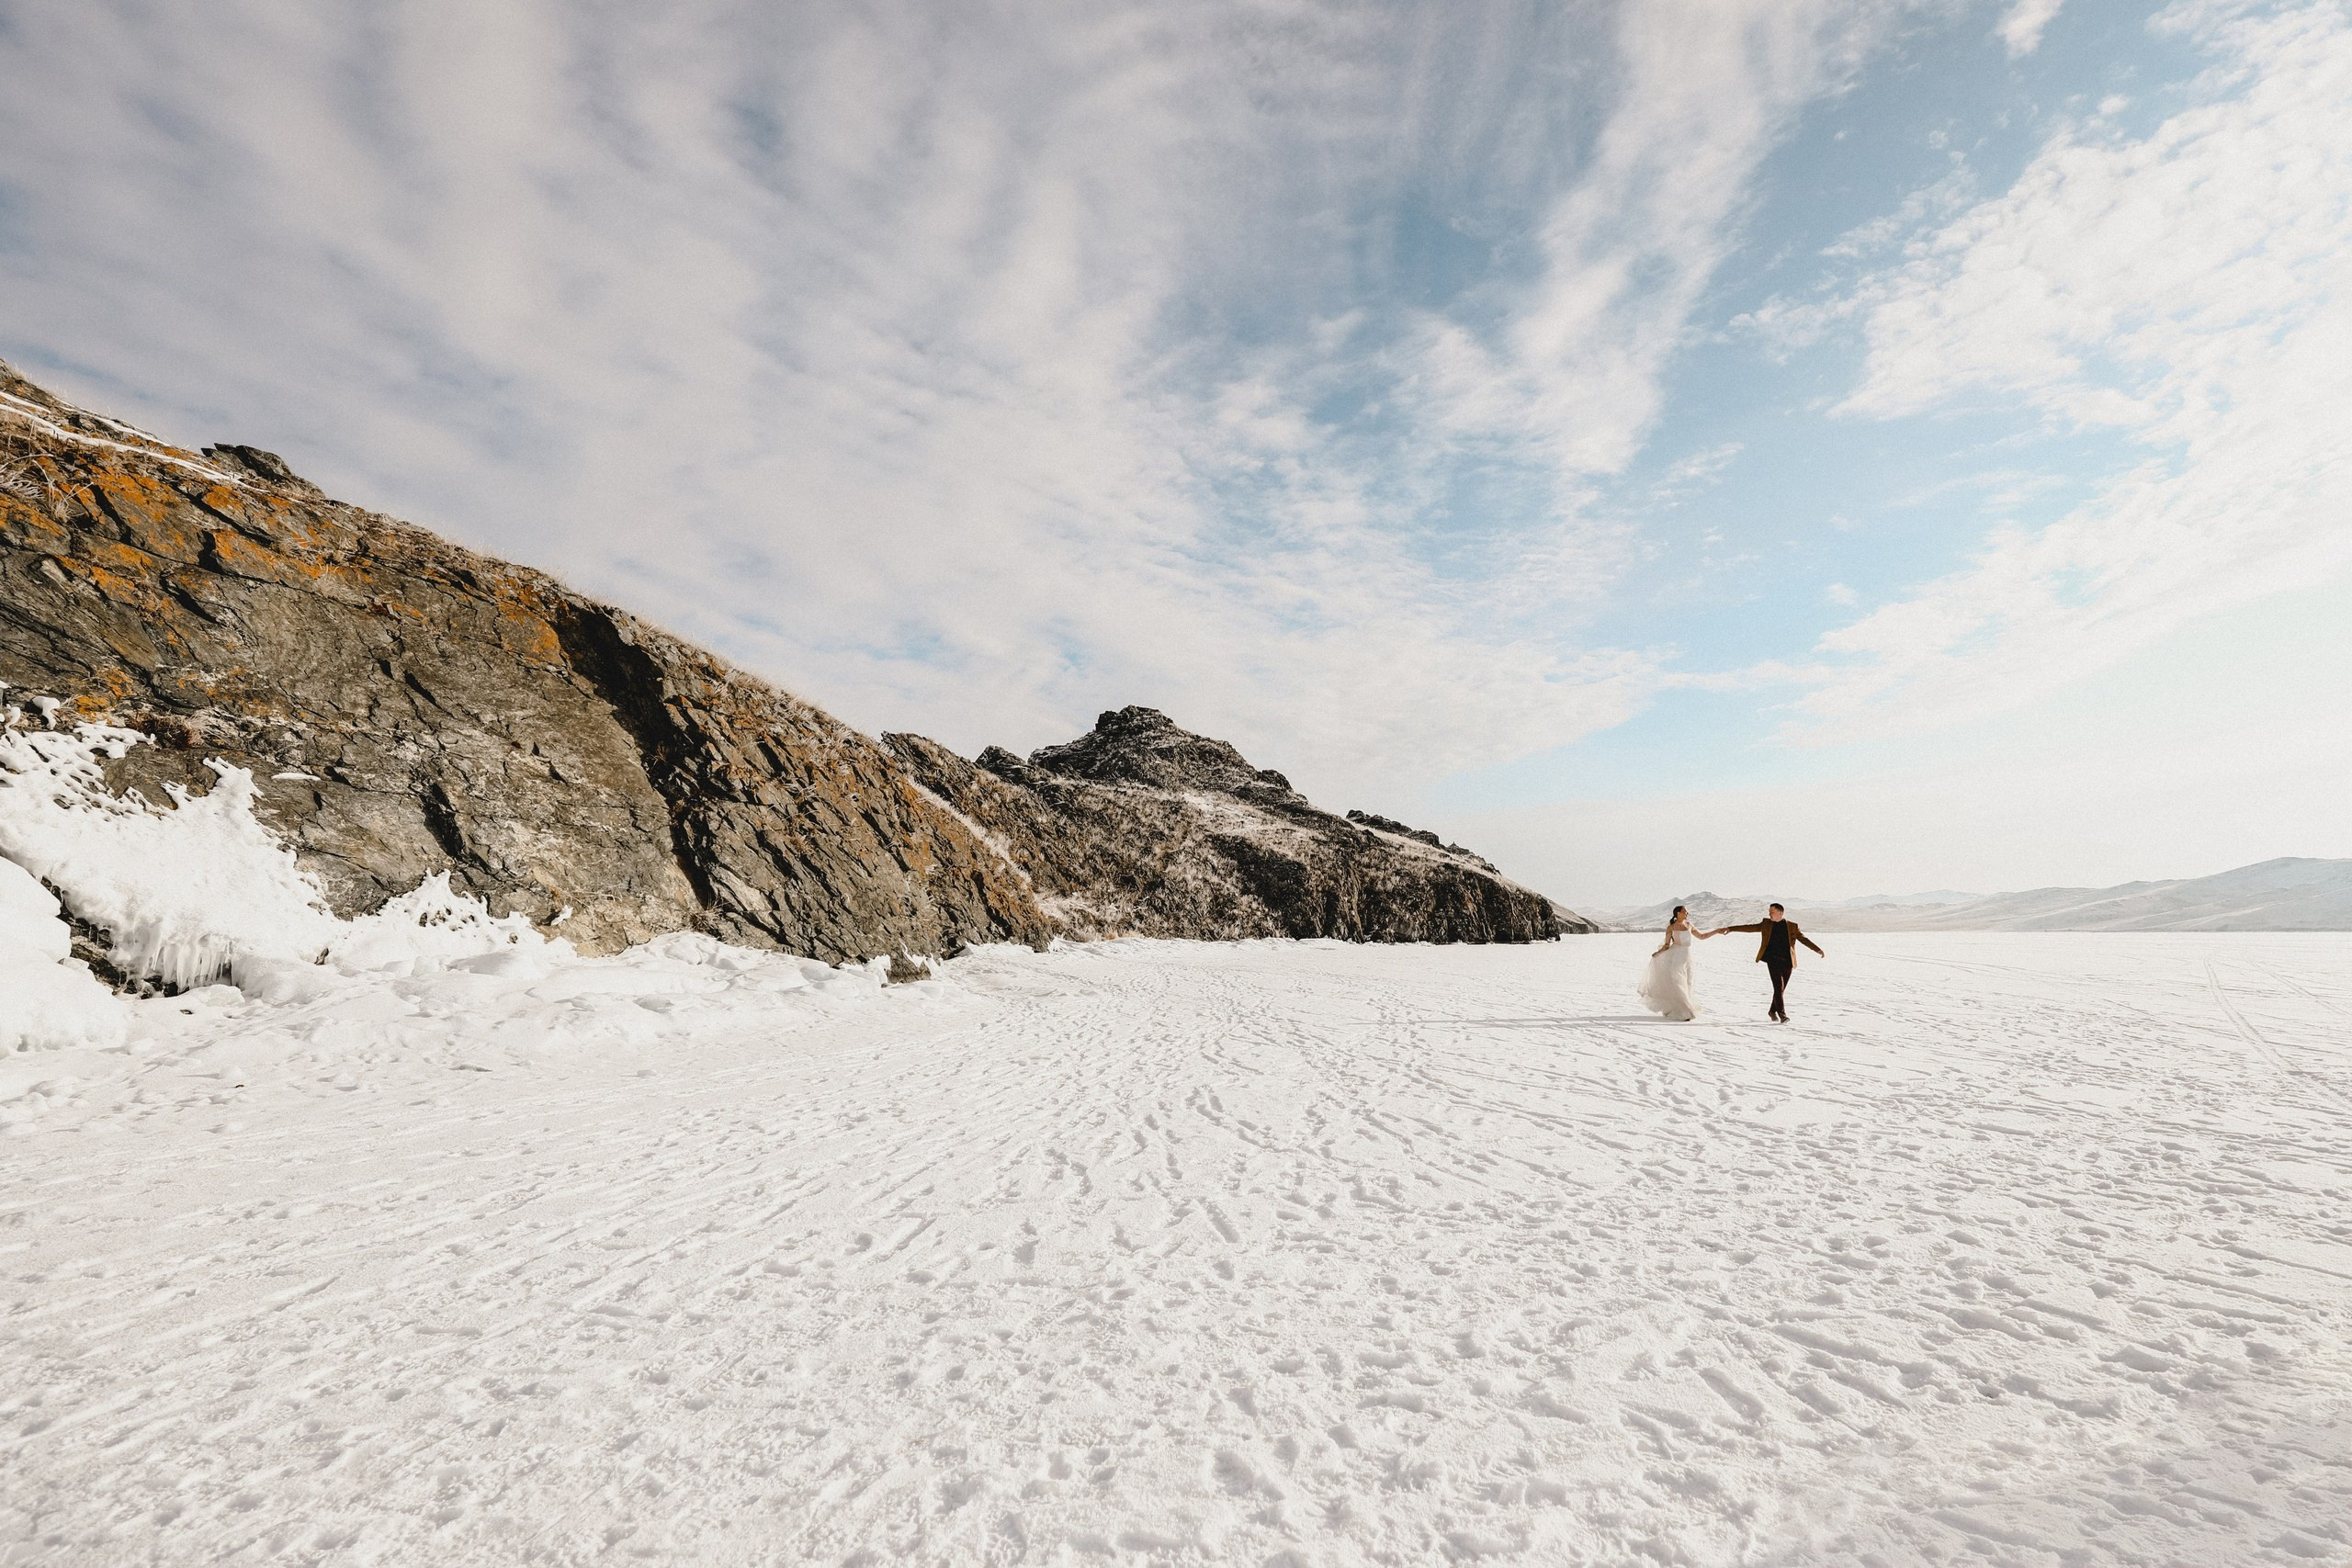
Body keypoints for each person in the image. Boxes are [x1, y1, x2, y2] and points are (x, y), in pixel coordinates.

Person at [1705, 904, 1823, 1022]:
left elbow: (1804, 939)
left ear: (1780, 913)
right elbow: (1749, 928)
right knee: (1778, 987)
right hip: (1773, 960)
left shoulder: (1792, 926)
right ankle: (1782, 1015)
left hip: (1788, 962)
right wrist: (1730, 929)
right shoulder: (1766, 924)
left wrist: (1817, 949)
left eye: (1772, 912)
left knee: (1781, 990)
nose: (1769, 914)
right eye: (1769, 912)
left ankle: (1772, 1011)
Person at [1637, 905, 1719, 1021]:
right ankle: (1685, 1011)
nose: (1687, 913)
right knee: (1677, 983)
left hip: (1687, 957)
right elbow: (1666, 945)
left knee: (1687, 983)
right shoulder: (1671, 928)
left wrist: (1716, 931)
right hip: (1676, 957)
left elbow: (1702, 936)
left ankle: (1681, 1008)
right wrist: (1658, 953)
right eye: (1685, 911)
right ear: (1678, 914)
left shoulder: (1689, 925)